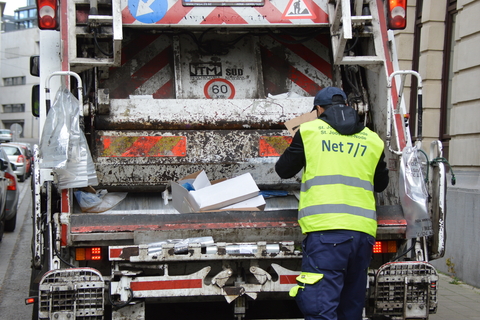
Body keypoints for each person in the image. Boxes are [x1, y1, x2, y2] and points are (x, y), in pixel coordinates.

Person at [275, 87, 389, 320]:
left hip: (326, 233)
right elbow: (381, 184)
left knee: (321, 307)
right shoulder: (372, 139)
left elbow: (283, 170)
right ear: (347, 106)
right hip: (363, 235)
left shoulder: (309, 131)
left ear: (318, 109)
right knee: (352, 305)